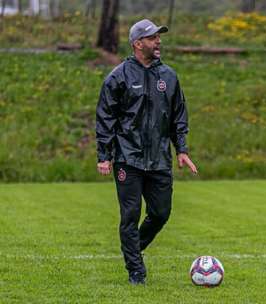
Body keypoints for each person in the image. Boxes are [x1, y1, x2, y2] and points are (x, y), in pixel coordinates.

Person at [96, 19, 197, 285]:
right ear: (137, 44)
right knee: (130, 215)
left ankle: (133, 249)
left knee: (161, 213)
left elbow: (178, 116)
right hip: (127, 159)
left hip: (159, 159)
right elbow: (105, 118)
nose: (158, 41)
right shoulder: (118, 77)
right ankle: (136, 271)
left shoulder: (170, 77)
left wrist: (182, 149)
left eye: (159, 37)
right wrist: (104, 155)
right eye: (153, 38)